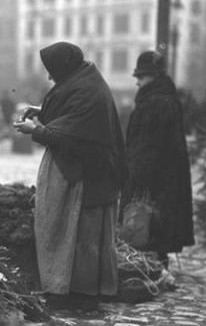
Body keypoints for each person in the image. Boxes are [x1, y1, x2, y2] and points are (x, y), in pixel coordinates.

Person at [13, 41, 127, 309]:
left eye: (52, 70)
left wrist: (34, 130)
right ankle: (81, 290)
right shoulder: (86, 82)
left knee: (82, 234)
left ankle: (81, 294)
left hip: (88, 178)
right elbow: (72, 118)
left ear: (64, 67)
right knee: (83, 234)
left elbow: (71, 135)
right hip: (93, 175)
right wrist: (41, 111)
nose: (50, 76)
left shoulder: (87, 92)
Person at [121, 51, 195, 267]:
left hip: (153, 176)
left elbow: (147, 147)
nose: (137, 83)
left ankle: (149, 267)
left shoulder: (153, 104)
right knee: (160, 219)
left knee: (145, 218)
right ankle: (158, 262)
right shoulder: (168, 99)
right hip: (168, 175)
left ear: (152, 77)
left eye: (141, 78)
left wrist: (133, 178)